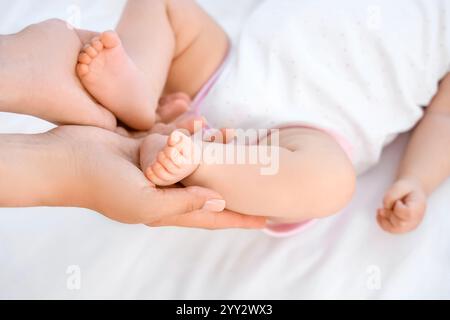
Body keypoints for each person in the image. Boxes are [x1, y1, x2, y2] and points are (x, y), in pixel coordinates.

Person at [76, 0, 450, 235]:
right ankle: (140, 96)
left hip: (302, 134)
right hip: (233, 68)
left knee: (332, 183)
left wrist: (416, 179)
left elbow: (443, 119)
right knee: (163, 4)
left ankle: (202, 159)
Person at [0, 19, 266, 230]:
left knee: (304, 176)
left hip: (285, 127)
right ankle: (138, 94)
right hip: (244, 62)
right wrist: (75, 169)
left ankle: (24, 65)